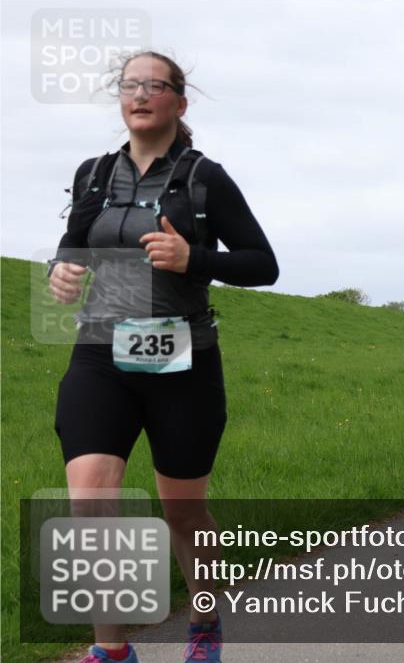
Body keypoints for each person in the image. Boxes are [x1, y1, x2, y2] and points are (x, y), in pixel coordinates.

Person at [48, 51, 279, 663]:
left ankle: (203, 624)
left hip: (181, 358)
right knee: (90, 502)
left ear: (179, 101)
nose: (140, 94)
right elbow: (74, 244)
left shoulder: (205, 179)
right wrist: (61, 271)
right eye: (130, 85)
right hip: (100, 352)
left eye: (154, 85)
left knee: (183, 510)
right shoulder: (94, 173)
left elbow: (263, 265)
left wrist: (192, 259)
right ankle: (111, 649)